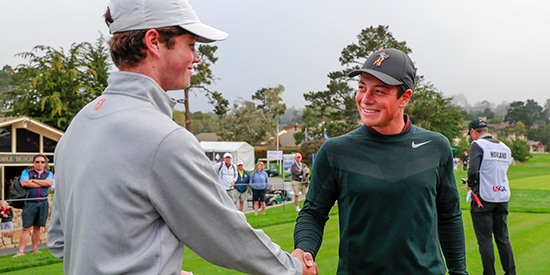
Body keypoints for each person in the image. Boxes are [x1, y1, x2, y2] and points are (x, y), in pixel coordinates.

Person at [47, 0, 317, 274]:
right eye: (191, 45)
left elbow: (59, 241)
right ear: (154, 41)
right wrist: (293, 268)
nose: (196, 57)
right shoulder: (163, 138)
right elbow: (227, 236)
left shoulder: (79, 125)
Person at [293, 48, 468, 274]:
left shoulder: (436, 147)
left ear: (404, 97)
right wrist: (303, 251)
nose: (366, 99)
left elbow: (449, 216)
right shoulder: (335, 151)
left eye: (380, 91)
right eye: (362, 88)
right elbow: (313, 214)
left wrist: (459, 272)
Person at [465, 118, 516, 275]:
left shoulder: (477, 145)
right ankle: (511, 272)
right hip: (502, 197)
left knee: (485, 240)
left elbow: (473, 170)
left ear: (474, 132)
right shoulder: (505, 147)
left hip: (484, 198)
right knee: (503, 239)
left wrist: (470, 184)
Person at [14, 154, 53, 257]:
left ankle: (34, 249)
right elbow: (24, 183)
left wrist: (34, 181)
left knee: (37, 227)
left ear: (45, 164)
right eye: (37, 162)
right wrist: (42, 183)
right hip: (30, 203)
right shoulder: (27, 172)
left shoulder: (48, 173)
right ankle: (21, 252)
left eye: (42, 162)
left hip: (43, 202)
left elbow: (49, 183)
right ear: (33, 163)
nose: (40, 164)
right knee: (26, 228)